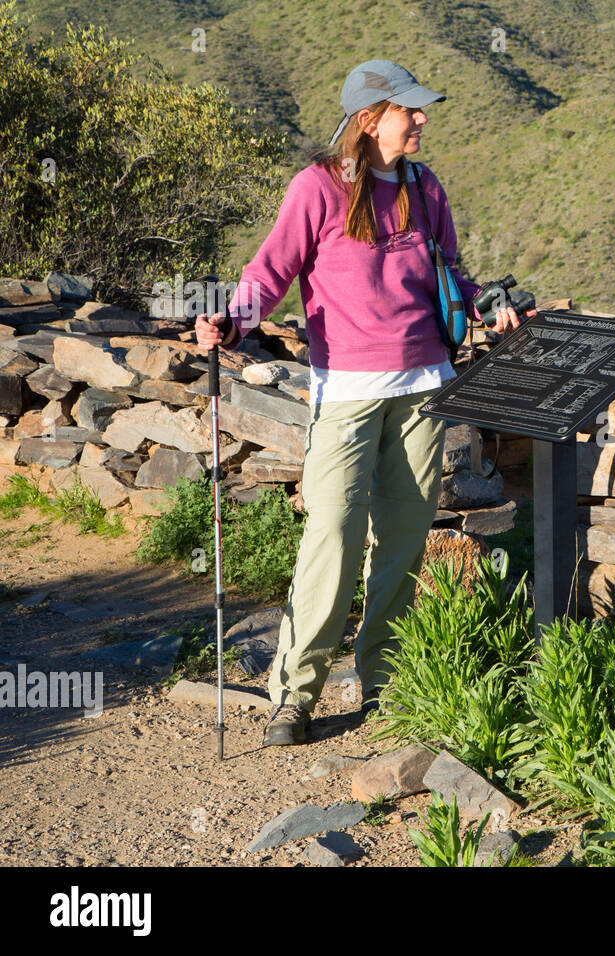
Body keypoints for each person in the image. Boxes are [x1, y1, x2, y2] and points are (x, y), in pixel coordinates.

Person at [195, 60, 535, 746]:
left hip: (423, 387)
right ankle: (294, 695)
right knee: (332, 536)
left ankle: (385, 682)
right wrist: (233, 319)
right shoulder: (318, 187)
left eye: (420, 108)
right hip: (346, 391)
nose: (423, 119)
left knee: (404, 541)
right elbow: (271, 269)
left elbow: (451, 273)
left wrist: (488, 304)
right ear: (369, 118)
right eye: (410, 109)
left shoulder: (424, 186)